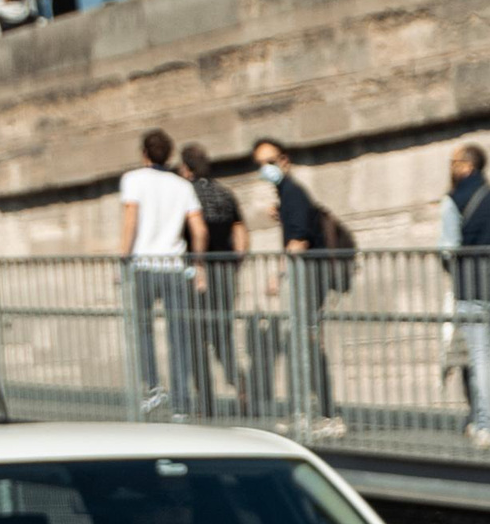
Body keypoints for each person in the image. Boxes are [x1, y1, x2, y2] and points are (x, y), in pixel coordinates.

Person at [248, 136, 344, 438]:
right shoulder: (288, 194)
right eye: (260, 164)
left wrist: (278, 274)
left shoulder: (293, 193)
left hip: (307, 279)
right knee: (302, 345)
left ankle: (325, 414)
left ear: (284, 161)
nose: (265, 168)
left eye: (270, 162)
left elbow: (299, 240)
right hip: (305, 277)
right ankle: (304, 411)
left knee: (308, 345)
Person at [116, 130, 204, 415]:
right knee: (178, 335)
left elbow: (131, 221)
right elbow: (199, 230)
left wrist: (123, 257)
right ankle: (181, 403)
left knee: (142, 329)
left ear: (144, 153)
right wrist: (198, 263)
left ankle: (153, 388)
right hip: (174, 266)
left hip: (143, 265)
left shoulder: (133, 179)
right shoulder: (182, 185)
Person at [438, 145, 490, 449]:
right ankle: (488, 422)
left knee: (481, 360)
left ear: (466, 166)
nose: (450, 167)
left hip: (470, 286)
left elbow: (447, 248)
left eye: (453, 162)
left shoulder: (453, 201)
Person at [180, 141, 246, 415]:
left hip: (198, 274)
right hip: (225, 272)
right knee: (222, 335)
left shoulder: (187, 195)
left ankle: (205, 401)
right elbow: (240, 230)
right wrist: (236, 263)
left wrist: (198, 265)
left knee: (196, 338)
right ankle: (240, 384)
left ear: (186, 168)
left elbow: (197, 232)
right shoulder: (225, 194)